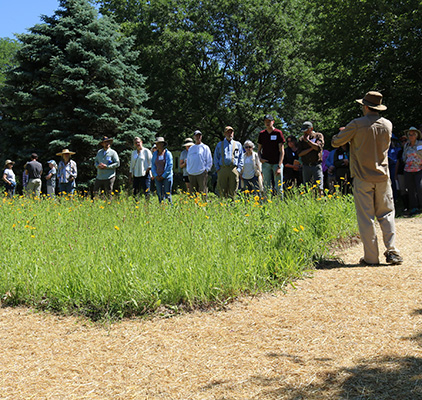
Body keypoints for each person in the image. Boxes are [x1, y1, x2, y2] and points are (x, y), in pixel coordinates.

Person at [332, 90, 402, 265]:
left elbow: (335, 142)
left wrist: (346, 133)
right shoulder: (388, 125)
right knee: (386, 214)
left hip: (362, 176)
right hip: (383, 175)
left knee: (366, 217)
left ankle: (371, 257)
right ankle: (392, 251)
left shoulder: (357, 124)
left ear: (365, 106)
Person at [257, 114, 285, 196]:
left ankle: (280, 205)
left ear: (273, 122)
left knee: (279, 186)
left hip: (277, 164)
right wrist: (260, 159)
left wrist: (279, 166)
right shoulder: (262, 134)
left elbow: (282, 151)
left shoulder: (278, 133)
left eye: (269, 121)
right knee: (266, 186)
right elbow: (259, 150)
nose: (267, 123)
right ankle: (267, 205)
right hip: (266, 163)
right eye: (266, 122)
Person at [213, 126, 244, 199]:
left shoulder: (238, 144)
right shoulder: (220, 144)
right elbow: (216, 157)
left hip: (233, 169)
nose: (230, 134)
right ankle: (223, 206)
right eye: (228, 132)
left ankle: (232, 206)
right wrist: (217, 169)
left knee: (233, 190)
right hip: (222, 169)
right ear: (224, 133)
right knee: (222, 190)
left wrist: (239, 170)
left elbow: (241, 157)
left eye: (231, 132)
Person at [297, 121, 325, 193]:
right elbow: (299, 153)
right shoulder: (301, 139)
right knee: (307, 187)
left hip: (316, 165)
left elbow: (318, 148)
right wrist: (311, 148)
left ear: (311, 128)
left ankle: (320, 201)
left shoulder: (318, 136)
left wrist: (308, 141)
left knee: (319, 186)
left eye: (306, 130)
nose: (305, 133)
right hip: (306, 166)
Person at [402, 126, 422, 215]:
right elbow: (404, 156)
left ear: (417, 135)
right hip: (408, 170)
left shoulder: (420, 144)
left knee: (420, 187)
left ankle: (421, 206)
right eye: (409, 134)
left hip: (419, 169)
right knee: (410, 189)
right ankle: (414, 207)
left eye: (413, 134)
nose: (411, 136)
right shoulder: (406, 145)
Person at [187, 130, 213, 198]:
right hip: (192, 173)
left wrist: (206, 170)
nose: (198, 137)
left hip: (201, 173)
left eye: (199, 135)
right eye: (196, 136)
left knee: (203, 192)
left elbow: (209, 160)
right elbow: (188, 160)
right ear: (194, 137)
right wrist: (188, 170)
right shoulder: (191, 148)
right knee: (192, 193)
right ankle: (193, 206)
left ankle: (204, 206)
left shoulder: (205, 147)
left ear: (201, 137)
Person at [151, 137, 173, 204]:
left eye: (158, 144)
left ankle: (170, 208)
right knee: (159, 194)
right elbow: (153, 165)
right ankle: (161, 208)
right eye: (156, 144)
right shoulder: (155, 154)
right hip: (157, 177)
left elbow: (169, 166)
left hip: (167, 177)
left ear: (162, 144)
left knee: (167, 194)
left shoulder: (168, 154)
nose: (156, 145)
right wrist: (155, 175)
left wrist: (163, 176)